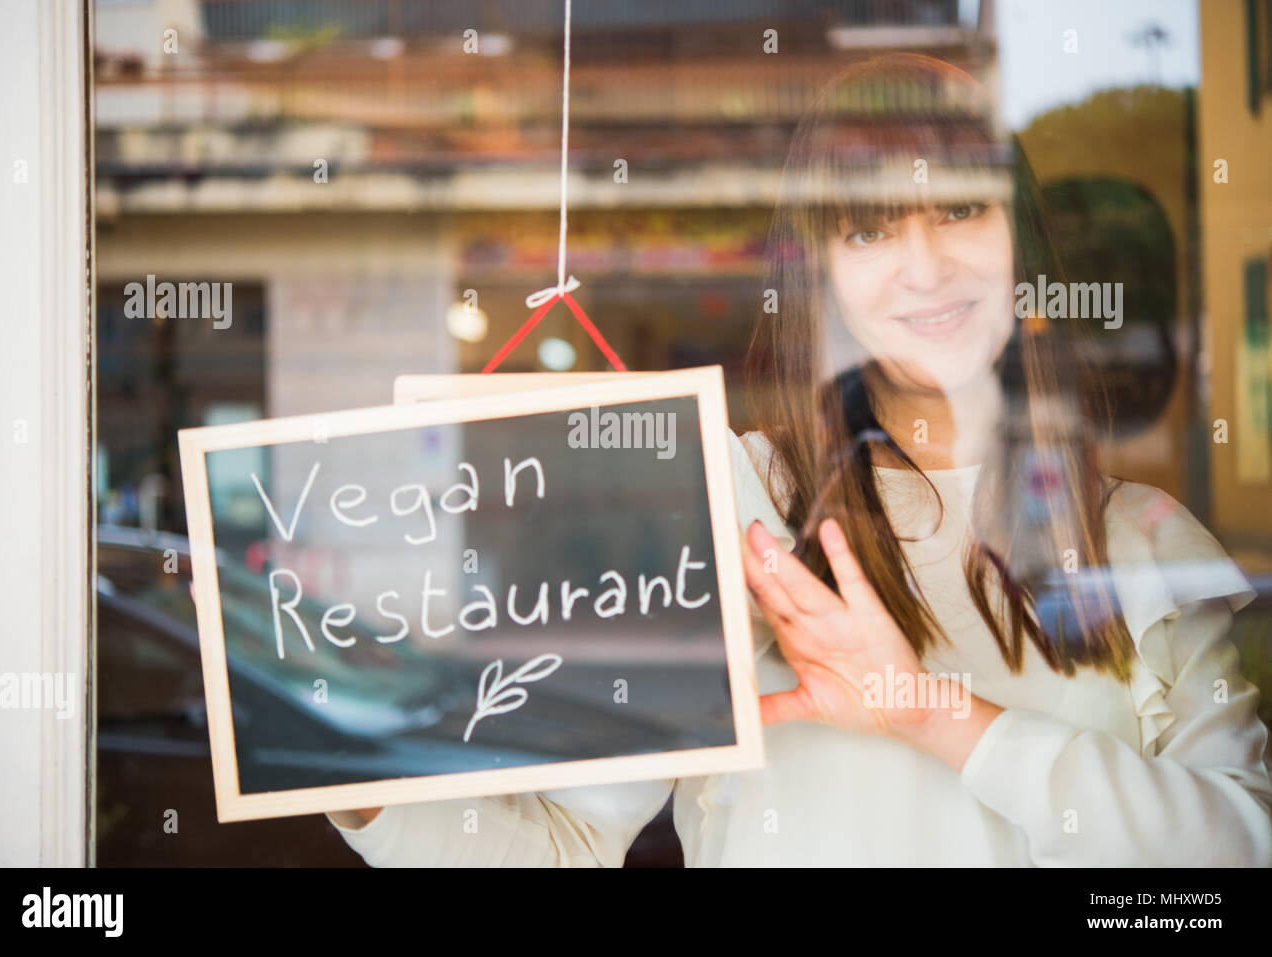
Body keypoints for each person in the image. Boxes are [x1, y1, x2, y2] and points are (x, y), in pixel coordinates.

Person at [327, 53, 1272, 866]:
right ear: (819, 281)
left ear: (1019, 241)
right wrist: (351, 775)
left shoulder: (1139, 540)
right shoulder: (737, 502)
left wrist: (925, 708)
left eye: (959, 210)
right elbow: (564, 846)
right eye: (868, 228)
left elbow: (1233, 860)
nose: (926, 265)